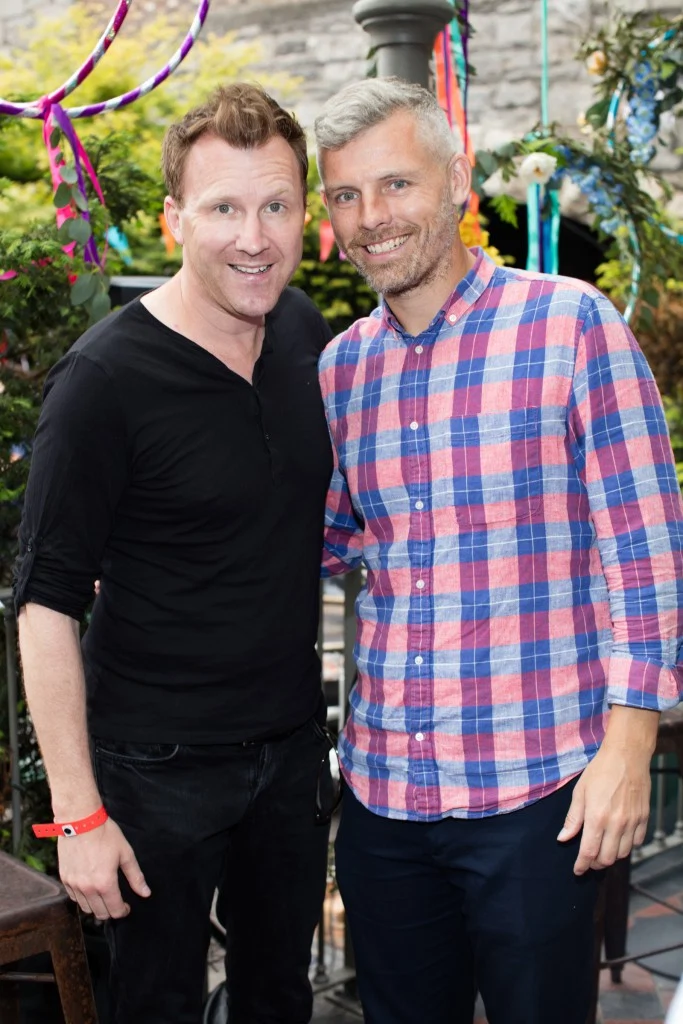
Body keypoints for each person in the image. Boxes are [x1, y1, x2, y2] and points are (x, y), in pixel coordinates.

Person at [313, 77, 683, 1024]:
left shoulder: (571, 325)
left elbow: (646, 549)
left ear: (456, 180)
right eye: (346, 194)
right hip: (384, 797)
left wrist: (628, 746)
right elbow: (324, 539)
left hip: (539, 791)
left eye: (395, 184)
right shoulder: (341, 369)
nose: (370, 216)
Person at [15, 82, 336, 1024]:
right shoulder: (103, 381)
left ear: (304, 215)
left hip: (289, 749)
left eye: (276, 206)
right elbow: (44, 606)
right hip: (153, 768)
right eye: (223, 208)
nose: (254, 237)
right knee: (151, 1006)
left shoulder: (302, 334)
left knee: (279, 998)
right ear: (173, 220)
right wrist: (78, 816)